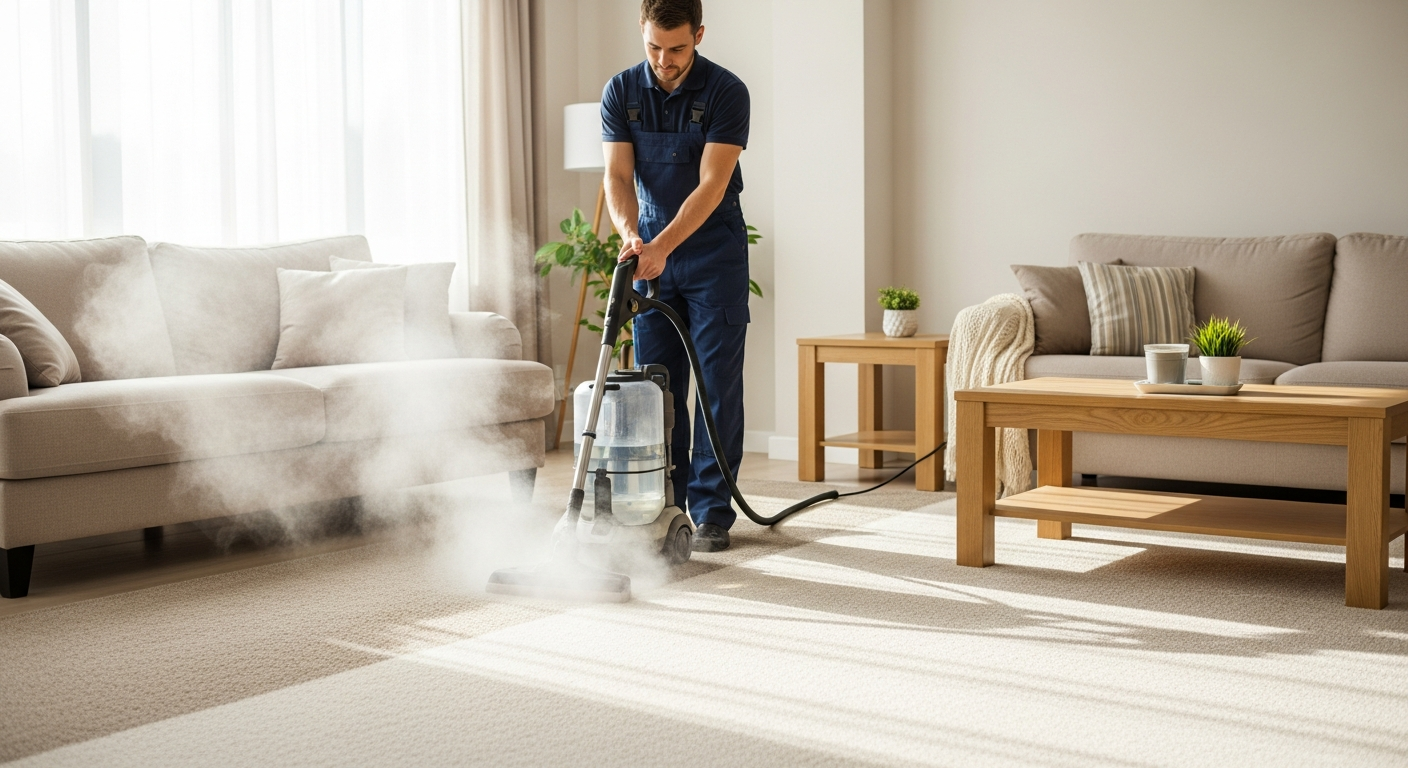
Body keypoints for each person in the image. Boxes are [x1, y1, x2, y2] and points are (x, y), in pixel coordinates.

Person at [602, 0, 750, 552]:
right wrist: (630, 236)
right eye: (654, 47)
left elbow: (713, 184)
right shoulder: (620, 91)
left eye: (678, 48)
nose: (664, 61)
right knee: (656, 389)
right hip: (650, 257)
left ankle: (712, 513)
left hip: (713, 255)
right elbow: (617, 176)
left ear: (700, 36)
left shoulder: (727, 91)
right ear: (642, 33)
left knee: (716, 384)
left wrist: (662, 245)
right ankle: (668, 505)